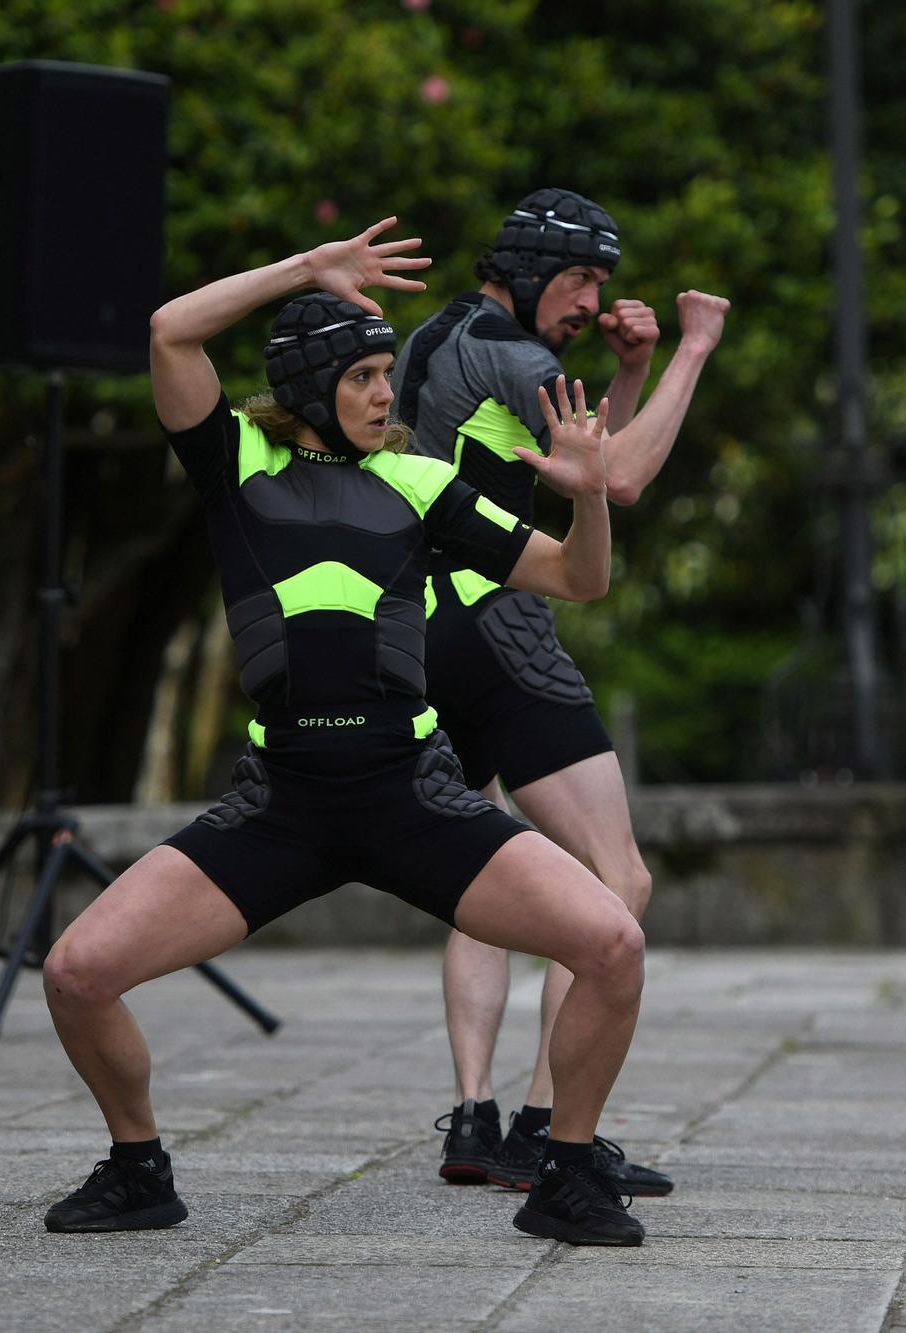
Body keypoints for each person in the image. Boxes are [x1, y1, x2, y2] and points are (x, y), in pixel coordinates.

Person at [40, 219, 651, 1247]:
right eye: (367, 375)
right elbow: (169, 333)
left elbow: (576, 580)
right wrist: (305, 271)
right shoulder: (235, 462)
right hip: (279, 803)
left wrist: (588, 499)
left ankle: (569, 1171)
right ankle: (137, 1165)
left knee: (613, 942)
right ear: (315, 386)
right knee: (75, 973)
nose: (385, 394)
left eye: (387, 375)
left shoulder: (415, 483)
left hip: (410, 792)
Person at [394, 189, 729, 1196]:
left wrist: (625, 372)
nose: (591, 302)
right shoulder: (513, 351)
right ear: (531, 270)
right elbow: (619, 481)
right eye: (580, 280)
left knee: (484, 874)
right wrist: (689, 352)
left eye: (600, 286)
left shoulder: (438, 337)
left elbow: (577, 466)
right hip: (497, 623)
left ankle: (472, 1118)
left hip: (412, 628)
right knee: (614, 879)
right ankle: (547, 1127)